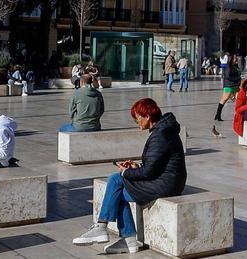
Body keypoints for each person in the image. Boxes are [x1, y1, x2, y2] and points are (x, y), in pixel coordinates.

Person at [73, 98, 186, 254]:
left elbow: (149, 172)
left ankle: (104, 228)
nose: (136, 121)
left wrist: (126, 172)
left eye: (137, 117)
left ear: (147, 116)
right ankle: (127, 240)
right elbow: (155, 165)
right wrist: (136, 167)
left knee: (116, 179)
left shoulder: (160, 135)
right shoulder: (164, 130)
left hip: (166, 184)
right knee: (118, 193)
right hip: (168, 180)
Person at [213, 56, 242, 121]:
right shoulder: (228, 67)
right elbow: (228, 76)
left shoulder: (236, 66)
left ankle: (239, 116)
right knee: (224, 100)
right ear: (231, 59)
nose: (236, 59)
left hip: (235, 86)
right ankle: (218, 115)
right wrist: (237, 79)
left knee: (239, 99)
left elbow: (239, 73)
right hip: (229, 86)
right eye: (235, 58)